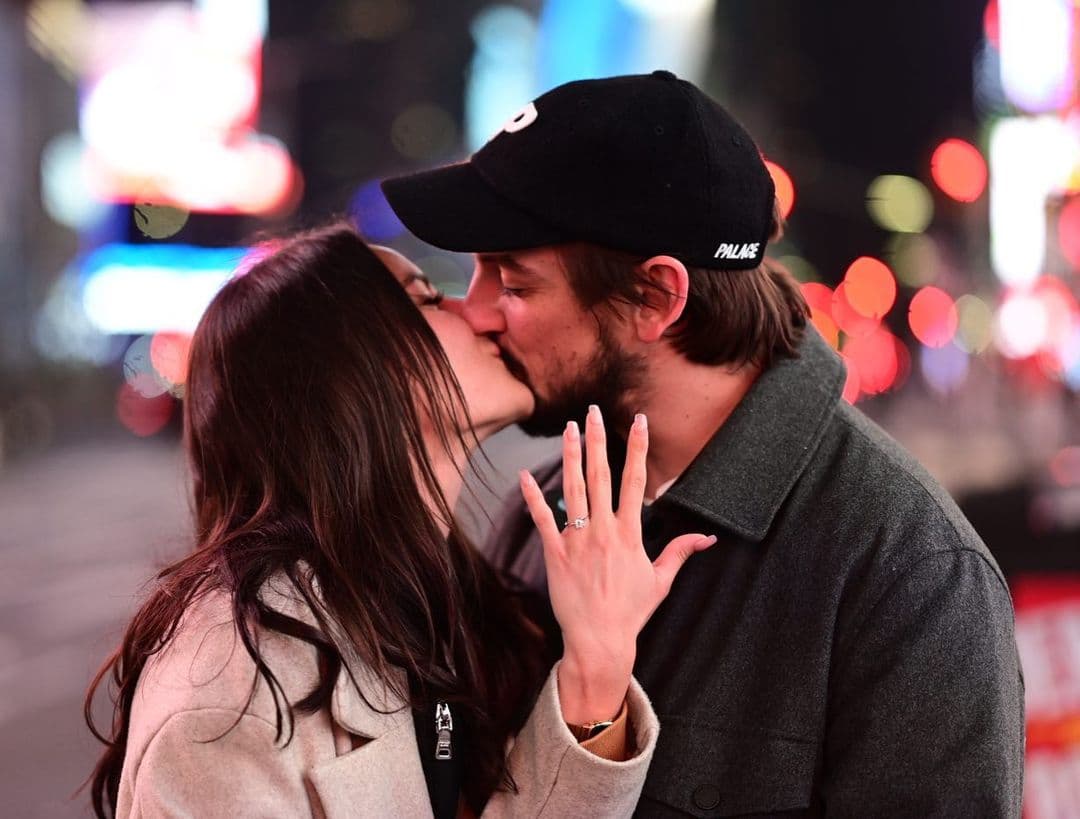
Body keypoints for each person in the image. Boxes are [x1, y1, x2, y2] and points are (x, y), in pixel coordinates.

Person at [381, 71, 1026, 816]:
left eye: (514, 281)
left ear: (655, 297)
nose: (479, 309)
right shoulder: (548, 513)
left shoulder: (905, 576)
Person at [83, 223, 718, 818]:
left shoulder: (445, 604)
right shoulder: (234, 691)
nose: (478, 310)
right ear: (350, 367)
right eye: (428, 298)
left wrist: (596, 663)